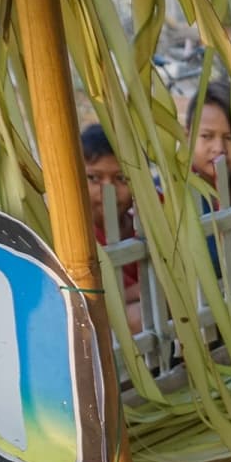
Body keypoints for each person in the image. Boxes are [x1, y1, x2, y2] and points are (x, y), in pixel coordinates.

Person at [82, 123, 144, 334]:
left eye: (121, 179)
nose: (108, 190)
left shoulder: (143, 225)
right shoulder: (79, 238)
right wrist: (137, 292)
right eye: (94, 178)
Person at [186, 80, 231, 186]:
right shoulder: (166, 192)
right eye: (207, 136)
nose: (219, 148)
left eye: (229, 138)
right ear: (187, 137)